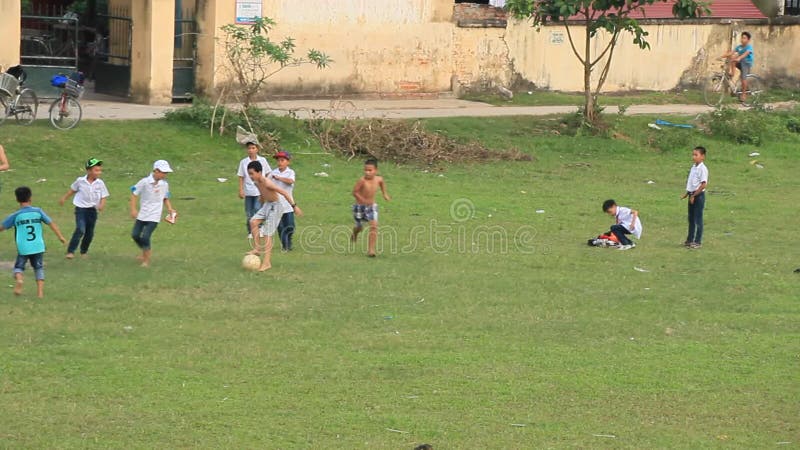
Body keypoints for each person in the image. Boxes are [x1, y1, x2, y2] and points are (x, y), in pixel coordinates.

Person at [0, 186, 67, 297]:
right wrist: (60, 237)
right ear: (30, 198)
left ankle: (20, 280)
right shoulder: (38, 212)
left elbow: (2, 227)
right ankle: (40, 293)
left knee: (18, 267)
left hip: (24, 247)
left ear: (17, 200)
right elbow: (51, 223)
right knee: (38, 267)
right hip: (38, 245)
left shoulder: (16, 215)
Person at [246, 161, 302, 271]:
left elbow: (284, 193)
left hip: (276, 207)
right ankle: (257, 249)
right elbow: (263, 194)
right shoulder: (257, 182)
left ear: (259, 172)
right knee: (253, 222)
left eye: (252, 173)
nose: (250, 176)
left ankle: (267, 263)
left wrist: (294, 206)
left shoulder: (268, 182)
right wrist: (262, 199)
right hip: (267, 205)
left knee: (267, 233)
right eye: (249, 174)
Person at [59, 158, 109, 259]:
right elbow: (72, 190)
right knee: (80, 229)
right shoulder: (80, 181)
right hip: (81, 209)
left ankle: (84, 251)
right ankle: (71, 251)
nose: (99, 172)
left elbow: (104, 196)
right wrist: (64, 198)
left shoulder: (100, 183)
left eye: (100, 170)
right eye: (96, 170)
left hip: (92, 210)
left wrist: (102, 205)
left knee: (89, 232)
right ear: (89, 170)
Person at [130, 160, 176, 267]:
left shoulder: (164, 184)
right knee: (135, 234)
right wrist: (133, 209)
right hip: (143, 214)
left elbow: (165, 198)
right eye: (163, 172)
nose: (165, 175)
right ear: (156, 170)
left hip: (154, 216)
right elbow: (134, 193)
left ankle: (146, 260)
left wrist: (170, 209)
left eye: (166, 173)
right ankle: (145, 251)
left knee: (146, 236)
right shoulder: (144, 182)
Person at [351, 158, 391, 257]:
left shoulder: (378, 179)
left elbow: (382, 184)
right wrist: (362, 200)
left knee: (373, 226)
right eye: (365, 170)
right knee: (359, 227)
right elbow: (354, 192)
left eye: (370, 170)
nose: (367, 172)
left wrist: (385, 194)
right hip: (360, 207)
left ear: (376, 170)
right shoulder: (362, 181)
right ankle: (355, 233)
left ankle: (371, 250)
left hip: (372, 206)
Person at [237, 142, 270, 236]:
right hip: (248, 190)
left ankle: (259, 228)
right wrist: (241, 189)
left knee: (257, 208)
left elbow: (268, 173)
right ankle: (251, 230)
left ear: (257, 149)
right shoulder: (244, 162)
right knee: (249, 211)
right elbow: (241, 176)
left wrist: (267, 185)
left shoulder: (262, 160)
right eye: (249, 148)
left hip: (260, 190)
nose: (251, 150)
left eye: (253, 148)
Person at [681, 146, 708, 249]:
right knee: (691, 218)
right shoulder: (693, 167)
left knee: (698, 219)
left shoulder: (703, 169)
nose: (694, 157)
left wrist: (694, 195)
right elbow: (692, 182)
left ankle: (697, 241)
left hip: (698, 196)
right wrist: (687, 193)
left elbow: (703, 184)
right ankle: (689, 239)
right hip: (691, 194)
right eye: (693, 154)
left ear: (702, 157)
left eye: (696, 155)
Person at [269, 151, 296, 251]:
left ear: (288, 162)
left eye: (282, 160)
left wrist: (279, 178)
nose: (280, 162)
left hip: (288, 205)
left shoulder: (290, 172)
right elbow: (267, 183)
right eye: (278, 160)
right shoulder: (273, 173)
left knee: (290, 226)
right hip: (276, 204)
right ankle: (286, 246)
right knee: (280, 227)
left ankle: (289, 241)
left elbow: (291, 181)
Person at [723, 31, 754, 103]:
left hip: (746, 63)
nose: (742, 39)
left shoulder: (749, 47)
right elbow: (731, 53)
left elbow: (746, 53)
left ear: (748, 40)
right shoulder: (739, 47)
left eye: (744, 38)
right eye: (741, 38)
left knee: (743, 79)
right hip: (740, 62)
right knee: (733, 59)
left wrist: (739, 58)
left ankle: (744, 94)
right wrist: (721, 56)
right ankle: (732, 73)